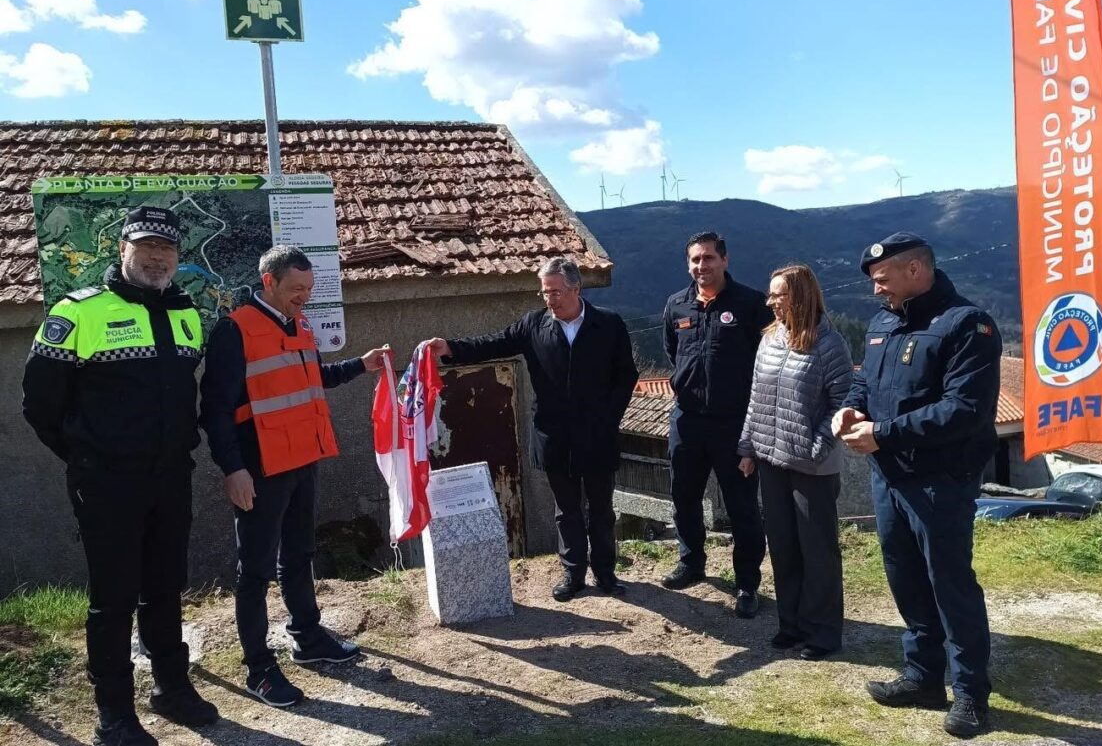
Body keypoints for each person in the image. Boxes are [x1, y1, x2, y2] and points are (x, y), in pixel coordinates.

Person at [23, 206, 218, 746]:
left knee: (165, 587)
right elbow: (40, 404)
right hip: (107, 483)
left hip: (170, 479)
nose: (157, 256)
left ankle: (172, 690)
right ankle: (114, 715)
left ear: (178, 256)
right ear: (123, 249)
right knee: (114, 599)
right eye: (146, 246)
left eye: (167, 248)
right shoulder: (78, 312)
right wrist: (87, 459)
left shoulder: (185, 312)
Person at [199, 245, 391, 709]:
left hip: (302, 458)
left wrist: (359, 366)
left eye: (308, 289)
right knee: (256, 570)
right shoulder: (234, 329)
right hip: (259, 469)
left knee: (300, 552)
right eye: (295, 289)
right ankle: (259, 669)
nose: (304, 297)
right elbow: (215, 409)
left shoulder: (298, 323)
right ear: (269, 282)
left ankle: (307, 637)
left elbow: (311, 379)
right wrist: (233, 469)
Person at [832, 232, 1001, 739]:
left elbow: (963, 411)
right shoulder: (885, 323)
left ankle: (971, 694)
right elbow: (867, 382)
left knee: (950, 585)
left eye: (883, 281)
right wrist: (851, 407)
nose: (876, 291)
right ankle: (923, 677)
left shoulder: (968, 325)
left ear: (915, 271)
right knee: (904, 578)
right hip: (891, 477)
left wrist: (881, 434)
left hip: (940, 482)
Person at [424, 257, 638, 602]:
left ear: (575, 288)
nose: (548, 299)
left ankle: (606, 574)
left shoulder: (609, 324)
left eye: (555, 292)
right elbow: (494, 343)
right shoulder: (534, 325)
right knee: (565, 508)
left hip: (598, 435)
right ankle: (573, 574)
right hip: (555, 436)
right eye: (544, 292)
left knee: (600, 508)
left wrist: (609, 418)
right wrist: (451, 348)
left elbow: (626, 376)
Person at [737, 264, 851, 659]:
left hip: (812, 468)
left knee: (817, 551)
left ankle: (822, 633)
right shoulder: (769, 340)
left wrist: (815, 448)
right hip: (771, 460)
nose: (771, 303)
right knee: (783, 546)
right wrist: (747, 448)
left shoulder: (828, 344)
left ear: (800, 296)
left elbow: (842, 404)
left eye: (778, 296)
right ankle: (791, 624)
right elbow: (756, 397)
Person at [661, 232, 771, 618]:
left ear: (724, 260)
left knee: (742, 507)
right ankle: (691, 562)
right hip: (687, 421)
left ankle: (747, 584)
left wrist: (754, 434)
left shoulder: (751, 304)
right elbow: (673, 354)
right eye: (694, 260)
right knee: (683, 497)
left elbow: (766, 366)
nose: (701, 266)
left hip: (735, 424)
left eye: (708, 258)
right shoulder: (677, 305)